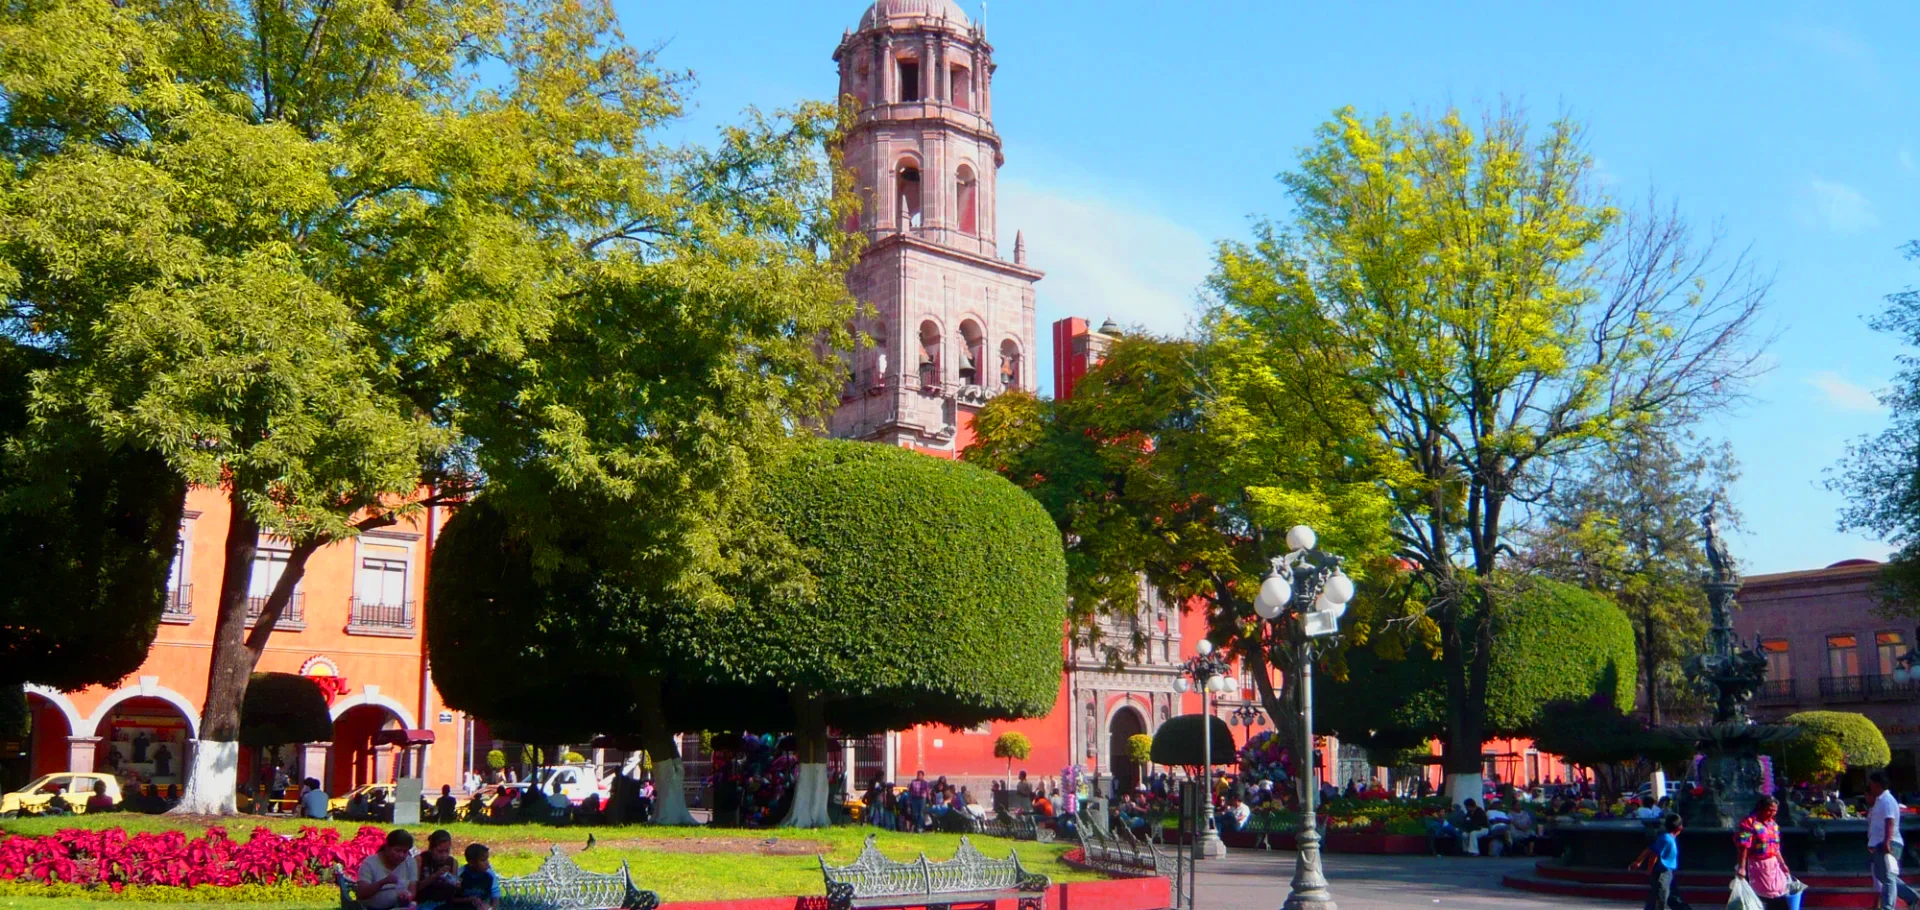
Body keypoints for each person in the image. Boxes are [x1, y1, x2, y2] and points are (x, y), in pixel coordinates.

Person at [1867, 771, 1920, 910]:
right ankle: (1911, 897)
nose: (1870, 787)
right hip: (1879, 843)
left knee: (1888, 877)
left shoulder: (1887, 800)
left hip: (1888, 843)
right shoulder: (1880, 800)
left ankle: (1888, 907)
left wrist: (1887, 841)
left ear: (1877, 784)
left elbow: (1890, 821)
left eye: (1871, 784)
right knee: (1882, 875)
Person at [1736, 796, 1795, 910]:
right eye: (1769, 810)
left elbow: (1776, 848)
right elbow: (1744, 846)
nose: (1772, 813)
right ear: (1761, 808)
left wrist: (1783, 864)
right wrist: (1742, 867)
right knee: (1761, 898)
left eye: (1775, 811)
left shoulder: (1773, 825)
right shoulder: (1749, 822)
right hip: (1756, 865)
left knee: (1778, 895)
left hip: (1773, 866)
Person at [1628, 814, 1691, 910]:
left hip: (1668, 874)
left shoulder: (1668, 838)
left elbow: (1649, 849)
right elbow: (1653, 853)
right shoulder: (1666, 839)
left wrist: (1638, 862)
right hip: (1662, 874)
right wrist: (1648, 869)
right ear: (1679, 827)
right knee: (1659, 901)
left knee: (1673, 900)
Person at [354, 828, 419, 910]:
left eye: (405, 852)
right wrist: (383, 882)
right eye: (398, 850)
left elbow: (412, 890)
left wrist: (407, 896)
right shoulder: (369, 863)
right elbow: (362, 893)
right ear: (387, 848)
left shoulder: (410, 862)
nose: (401, 855)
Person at [460, 843, 502, 910]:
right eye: (483, 860)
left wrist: (491, 908)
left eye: (487, 859)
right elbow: (450, 899)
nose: (487, 863)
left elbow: (495, 896)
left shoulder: (489, 875)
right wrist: (469, 899)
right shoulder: (460, 874)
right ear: (471, 863)